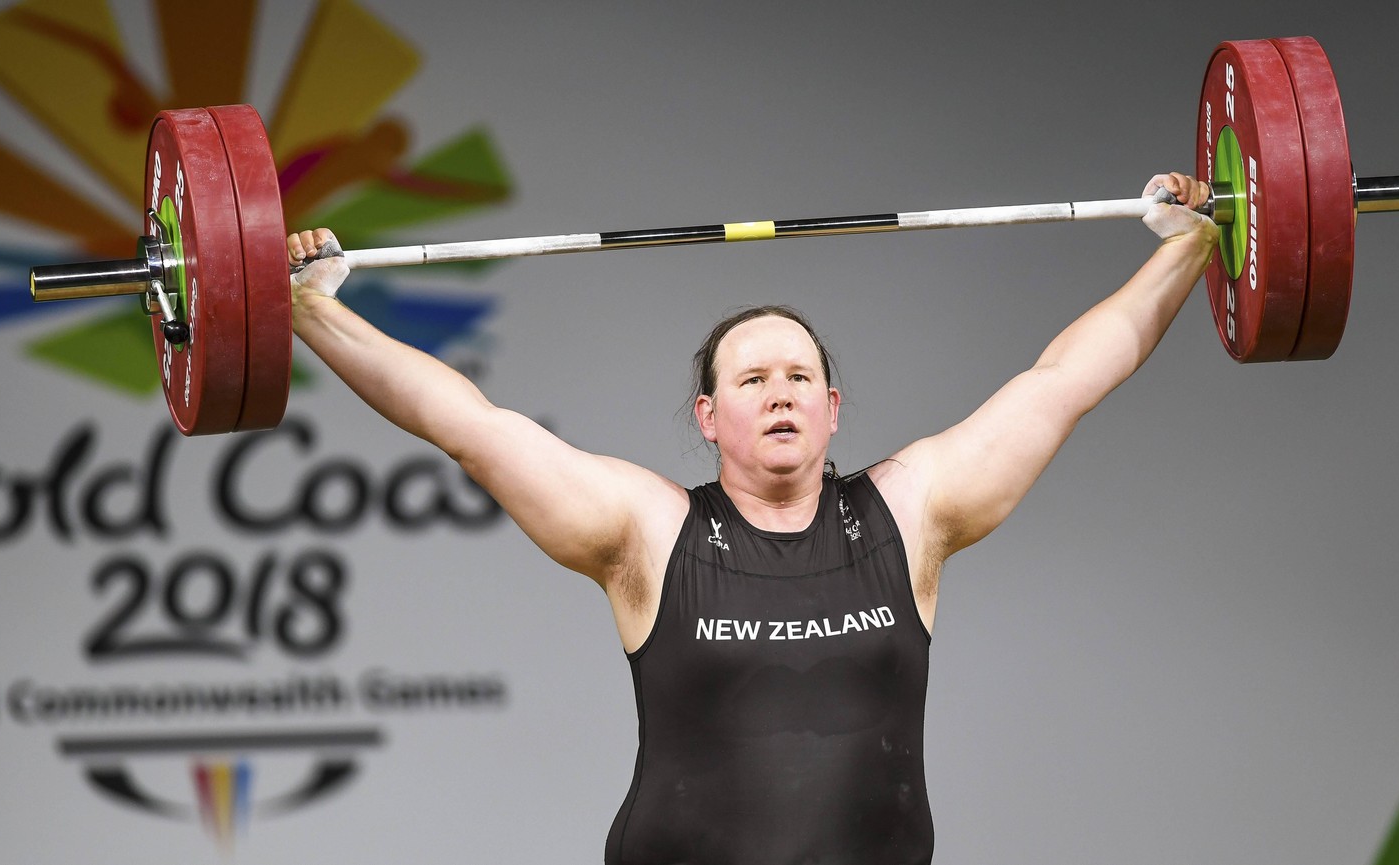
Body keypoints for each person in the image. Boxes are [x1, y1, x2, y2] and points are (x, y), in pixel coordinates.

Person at [287, 172, 1217, 865]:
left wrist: (1190, 245)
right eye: (752, 379)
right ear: (709, 417)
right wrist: (306, 309)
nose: (780, 394)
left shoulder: (910, 513)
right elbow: (469, 427)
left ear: (833, 406)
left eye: (800, 376)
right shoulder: (647, 536)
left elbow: (1064, 382)